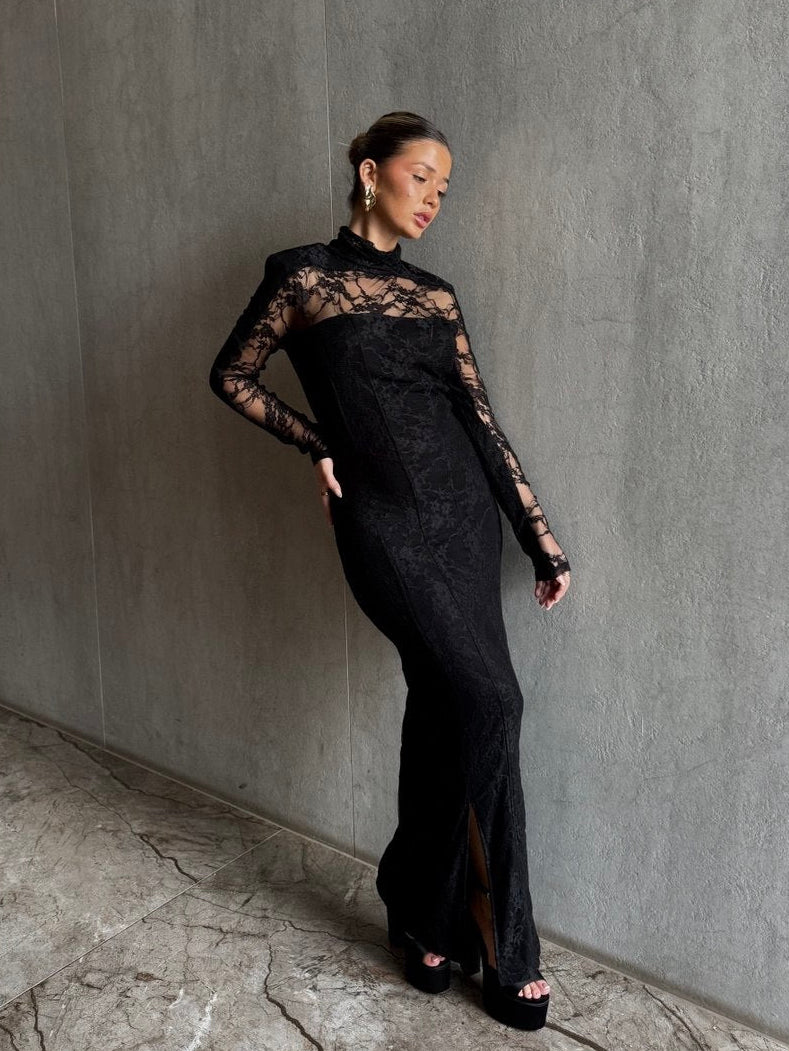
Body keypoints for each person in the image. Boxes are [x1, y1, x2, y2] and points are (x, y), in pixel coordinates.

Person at [208, 110, 570, 1031]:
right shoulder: (302, 276)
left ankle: (423, 916)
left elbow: (480, 421)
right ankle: (499, 936)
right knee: (493, 701)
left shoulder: (435, 297)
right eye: (421, 177)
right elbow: (232, 374)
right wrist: (315, 441)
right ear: (370, 173)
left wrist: (538, 537)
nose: (433, 198)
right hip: (382, 525)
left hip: (464, 522)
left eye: (443, 187)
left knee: (449, 708)